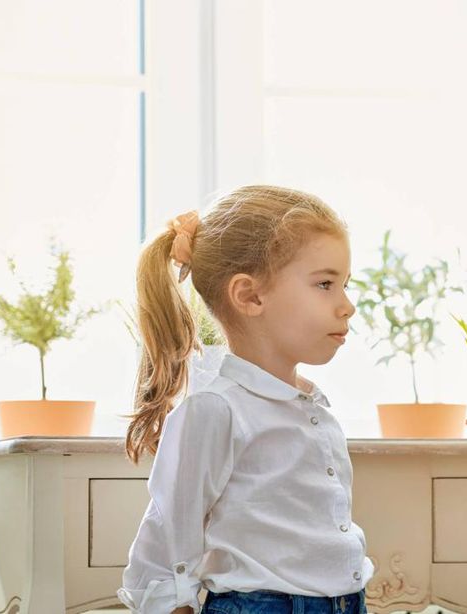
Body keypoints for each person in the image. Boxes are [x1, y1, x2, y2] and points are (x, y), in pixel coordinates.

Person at [118, 185, 372, 614]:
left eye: (345, 285)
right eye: (325, 284)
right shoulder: (216, 409)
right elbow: (165, 544)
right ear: (250, 296)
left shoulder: (315, 410)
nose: (346, 306)